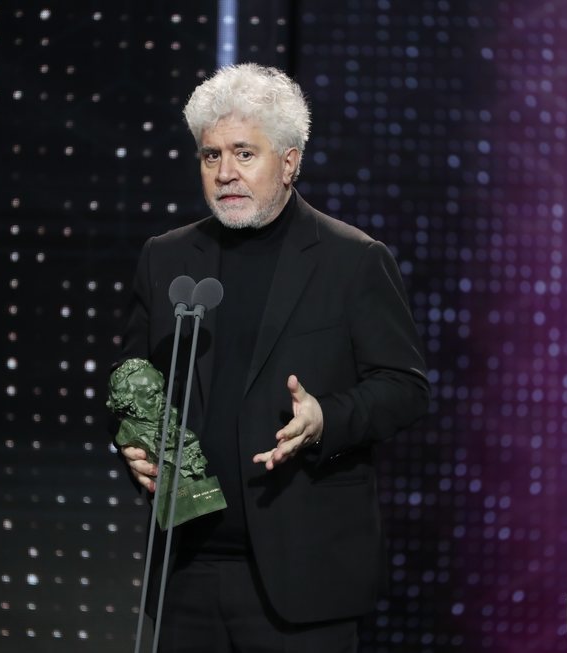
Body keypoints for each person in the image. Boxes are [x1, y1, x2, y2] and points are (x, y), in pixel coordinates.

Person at [116, 63, 430, 653]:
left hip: (304, 578)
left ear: (289, 162)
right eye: (211, 156)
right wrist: (131, 447)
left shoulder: (353, 261)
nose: (226, 174)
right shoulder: (166, 260)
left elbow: (405, 387)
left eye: (243, 153)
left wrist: (324, 420)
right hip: (188, 568)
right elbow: (134, 381)